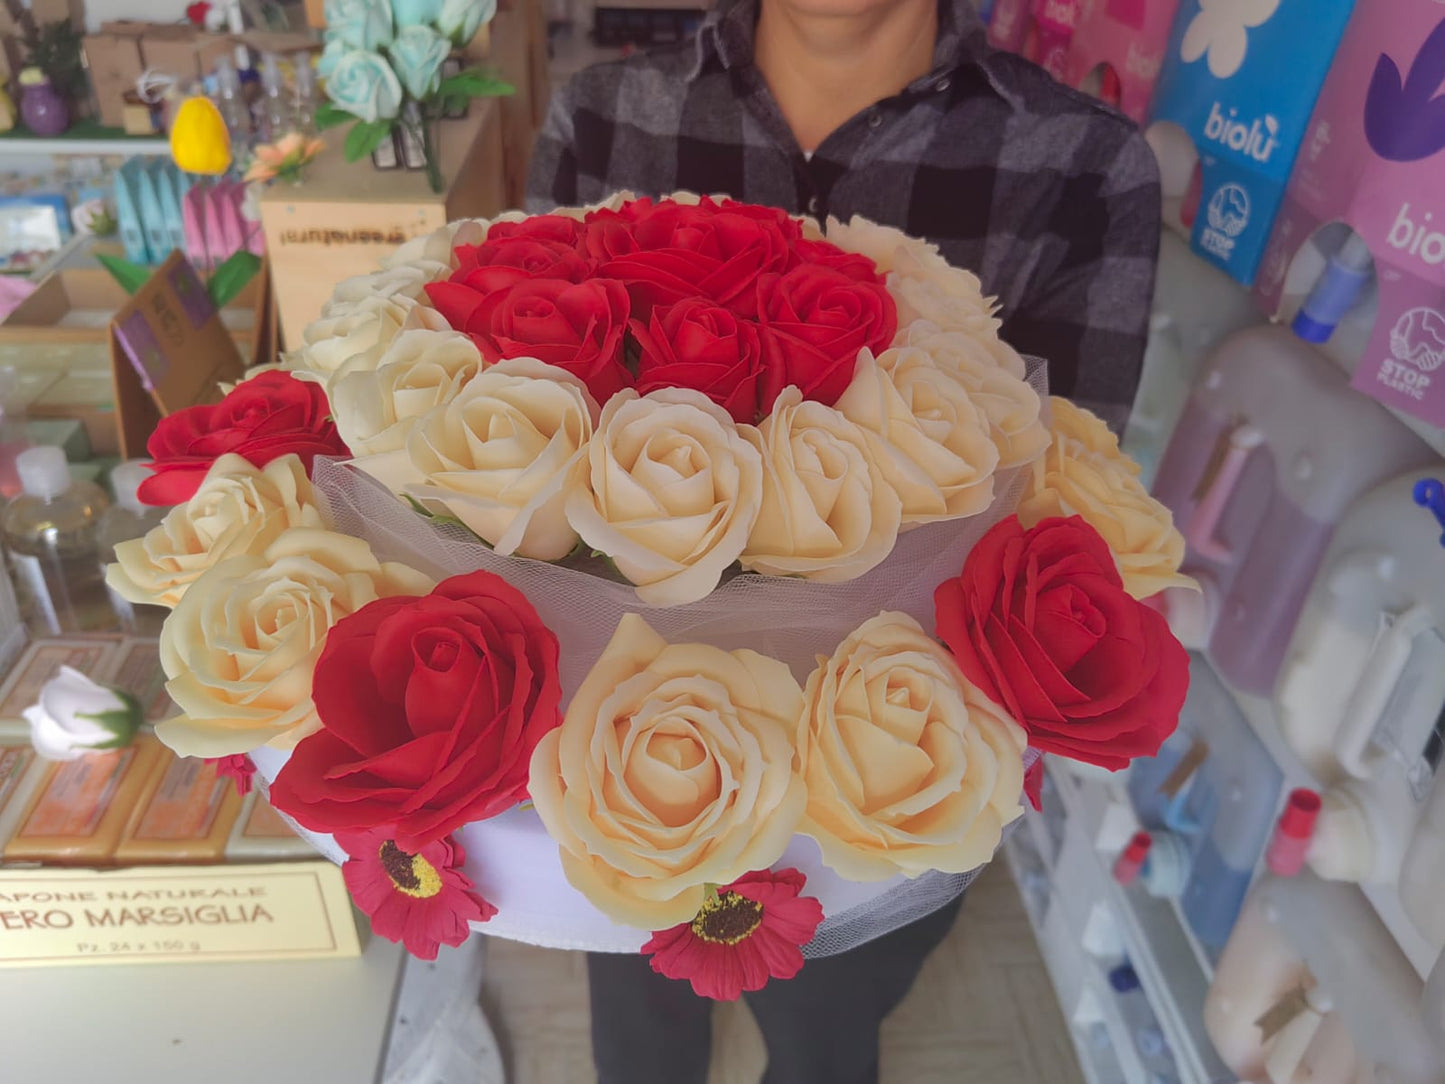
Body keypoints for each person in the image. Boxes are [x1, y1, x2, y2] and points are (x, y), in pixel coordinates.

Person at [526, 0, 1161, 1079]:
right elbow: (529, 425)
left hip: (886, 757)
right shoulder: (606, 115)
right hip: (632, 742)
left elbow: (1054, 516)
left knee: (825, 1035)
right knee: (635, 1020)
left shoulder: (1079, 166)